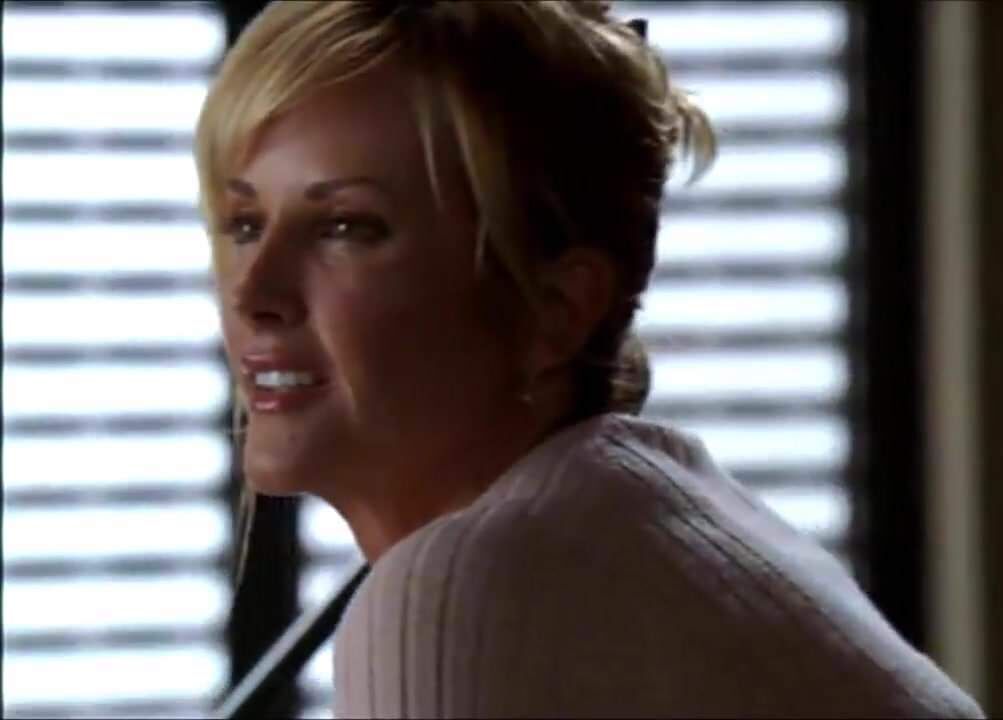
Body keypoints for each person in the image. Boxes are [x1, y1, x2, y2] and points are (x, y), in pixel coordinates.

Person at [194, 1, 985, 717]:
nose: (253, 292)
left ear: (555, 310)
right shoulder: (638, 509)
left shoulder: (474, 582)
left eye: (346, 228)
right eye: (245, 224)